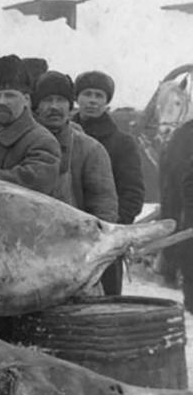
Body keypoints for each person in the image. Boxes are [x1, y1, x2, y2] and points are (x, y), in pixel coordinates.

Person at [73, 70, 145, 296]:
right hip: (68, 235)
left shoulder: (122, 143)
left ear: (107, 102)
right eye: (87, 94)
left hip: (105, 239)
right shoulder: (62, 135)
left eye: (99, 96)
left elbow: (132, 193)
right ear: (77, 98)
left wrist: (114, 231)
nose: (92, 101)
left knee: (105, 302)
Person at [0, 54, 61, 196]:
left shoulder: (42, 140)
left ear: (26, 99)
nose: (2, 102)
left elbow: (33, 183)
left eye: (10, 95)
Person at [33, 71, 118, 224]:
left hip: (73, 238)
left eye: (61, 100)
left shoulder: (91, 150)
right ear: (36, 106)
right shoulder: (23, 144)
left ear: (70, 106)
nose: (54, 106)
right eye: (47, 100)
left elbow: (103, 206)